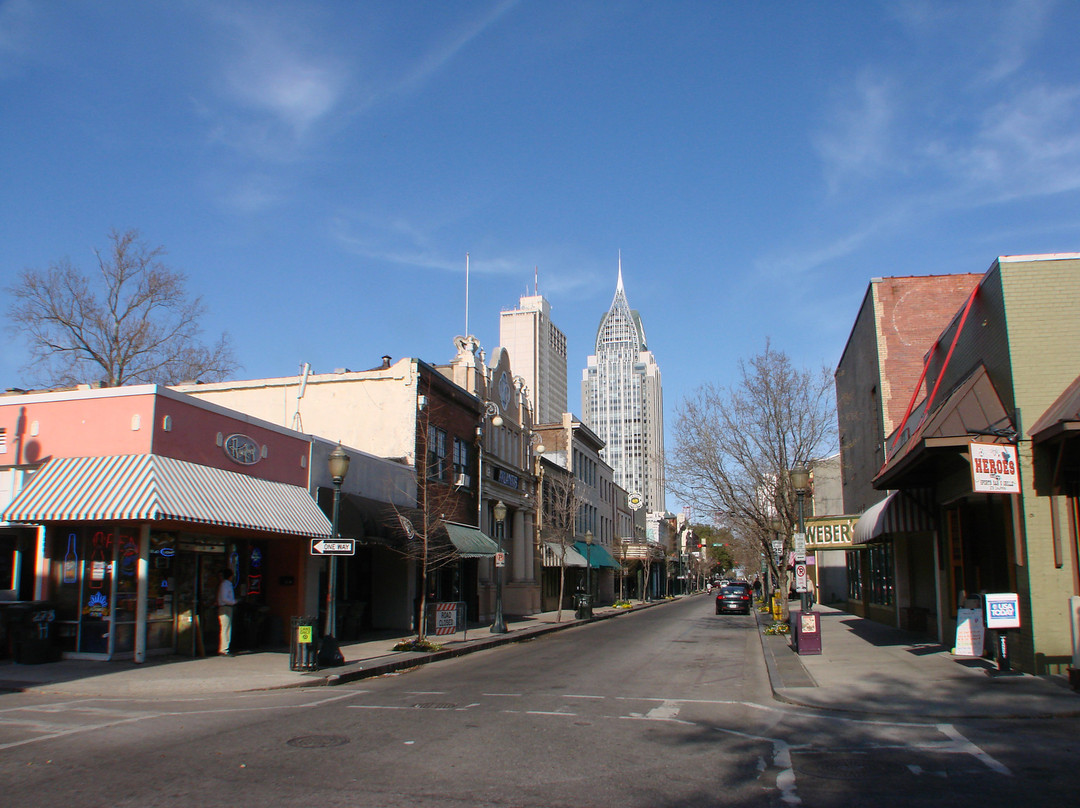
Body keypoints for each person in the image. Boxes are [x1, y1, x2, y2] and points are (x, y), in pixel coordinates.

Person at [216, 568, 237, 656]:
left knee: (227, 628)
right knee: (225, 628)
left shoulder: (227, 584)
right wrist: (234, 602)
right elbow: (224, 598)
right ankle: (224, 649)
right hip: (225, 607)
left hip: (227, 607)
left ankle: (225, 647)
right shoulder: (225, 585)